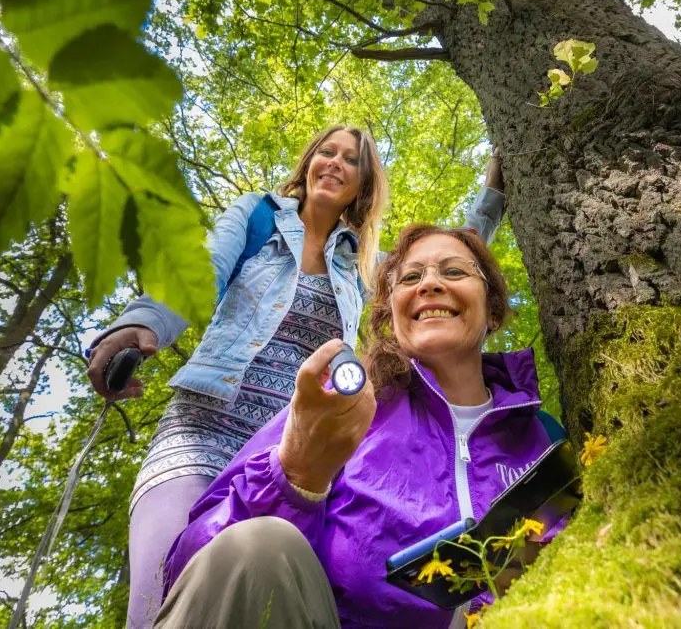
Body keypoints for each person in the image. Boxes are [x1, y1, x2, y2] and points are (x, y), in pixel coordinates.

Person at [85, 127, 506, 628]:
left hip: (298, 447)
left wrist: (493, 196)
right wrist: (142, 323)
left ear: (362, 185)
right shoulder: (259, 216)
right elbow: (201, 271)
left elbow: (436, 272)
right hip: (203, 430)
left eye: (351, 160)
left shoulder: (359, 267)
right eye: (326, 152)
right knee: (173, 587)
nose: (335, 163)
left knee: (273, 579)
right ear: (308, 164)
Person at [153, 224, 562, 629]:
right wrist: (296, 475)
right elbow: (200, 568)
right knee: (256, 545)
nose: (430, 284)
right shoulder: (340, 410)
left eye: (454, 272)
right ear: (392, 316)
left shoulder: (544, 438)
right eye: (411, 277)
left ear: (491, 308)